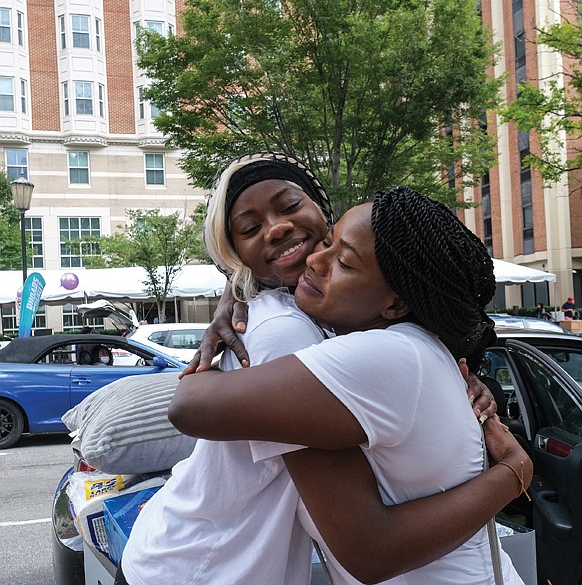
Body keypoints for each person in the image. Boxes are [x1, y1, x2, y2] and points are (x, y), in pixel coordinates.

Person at [119, 155, 525, 585]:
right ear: (237, 254)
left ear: (319, 208)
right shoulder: (286, 328)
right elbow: (188, 406)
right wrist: (514, 472)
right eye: (250, 230)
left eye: (290, 205)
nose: (276, 229)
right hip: (205, 567)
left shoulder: (364, 337)